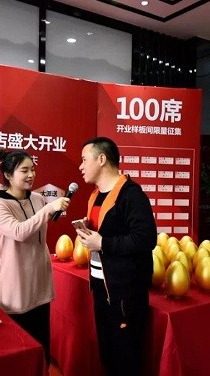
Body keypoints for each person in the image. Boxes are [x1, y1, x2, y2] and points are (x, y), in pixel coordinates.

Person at [75, 137, 156, 376]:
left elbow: (146, 239)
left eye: (84, 160)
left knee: (126, 358)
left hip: (125, 292)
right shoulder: (95, 195)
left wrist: (103, 242)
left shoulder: (131, 195)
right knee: (108, 353)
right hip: (102, 287)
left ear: (102, 159)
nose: (80, 166)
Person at [0, 148, 70, 364]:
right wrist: (48, 210)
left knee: (41, 347)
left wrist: (47, 208)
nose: (31, 175)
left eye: (33, 169)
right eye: (24, 171)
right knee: (18, 352)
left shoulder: (38, 199)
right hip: (14, 284)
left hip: (39, 282)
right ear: (8, 175)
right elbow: (19, 232)